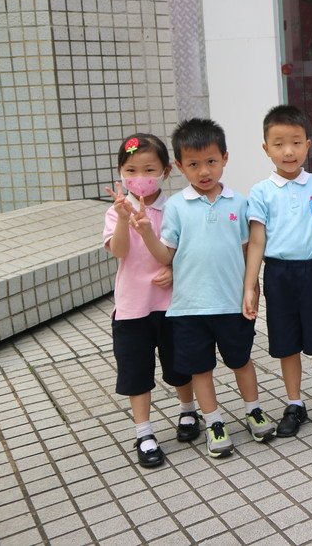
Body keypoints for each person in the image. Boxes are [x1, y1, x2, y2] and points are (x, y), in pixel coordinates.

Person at [133, 118, 276, 458]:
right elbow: (166, 255)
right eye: (194, 164)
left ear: (225, 158)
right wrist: (146, 233)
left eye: (211, 161)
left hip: (231, 304)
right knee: (201, 369)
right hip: (189, 308)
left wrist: (251, 288)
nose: (204, 171)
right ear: (180, 166)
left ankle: (253, 410)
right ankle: (213, 422)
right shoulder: (176, 207)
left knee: (241, 361)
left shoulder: (238, 202)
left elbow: (248, 250)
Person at [243, 105, 312, 438]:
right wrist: (250, 286)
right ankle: (295, 403)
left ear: (307, 145)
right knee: (286, 342)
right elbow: (256, 242)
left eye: (296, 142)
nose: (288, 151)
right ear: (266, 148)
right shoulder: (260, 192)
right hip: (278, 274)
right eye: (279, 144)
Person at [102, 133, 198, 468]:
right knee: (136, 371)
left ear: (166, 171)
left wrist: (173, 270)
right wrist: (124, 219)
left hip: (173, 304)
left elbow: (188, 251)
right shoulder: (116, 211)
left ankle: (188, 411)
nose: (139, 177)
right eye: (131, 170)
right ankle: (143, 432)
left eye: (148, 169)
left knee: (180, 364)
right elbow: (119, 252)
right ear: (120, 172)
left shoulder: (176, 208)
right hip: (132, 307)